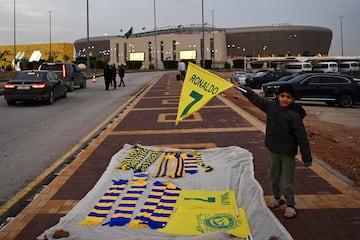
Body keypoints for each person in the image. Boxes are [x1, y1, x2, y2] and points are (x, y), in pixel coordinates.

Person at [238, 84, 312, 218]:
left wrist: (307, 157)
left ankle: (290, 205)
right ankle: (277, 198)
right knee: (273, 177)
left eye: (288, 97)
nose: (284, 99)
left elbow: (302, 137)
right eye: (282, 96)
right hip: (273, 150)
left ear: (293, 99)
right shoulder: (272, 107)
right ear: (278, 96)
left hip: (288, 153)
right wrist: (243, 89)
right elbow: (256, 99)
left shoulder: (294, 116)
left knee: (287, 180)